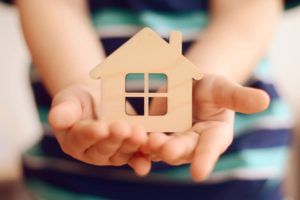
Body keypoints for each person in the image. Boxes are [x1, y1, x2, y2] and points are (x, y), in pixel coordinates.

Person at [3, 0, 299, 199]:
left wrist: (203, 75)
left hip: (232, 171)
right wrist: (82, 84)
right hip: (75, 174)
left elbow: (248, 8)